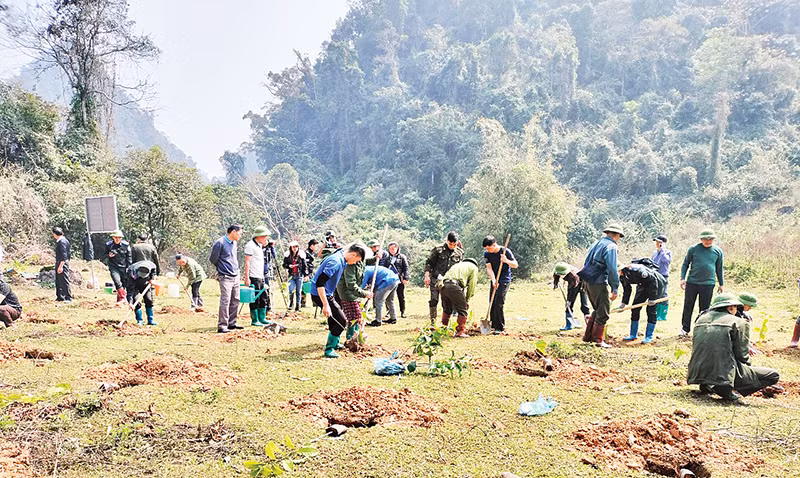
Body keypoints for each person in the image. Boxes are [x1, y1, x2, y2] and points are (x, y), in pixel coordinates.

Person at [687, 293, 780, 401]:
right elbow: (742, 355)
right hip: (723, 372)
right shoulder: (739, 323)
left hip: (696, 372)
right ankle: (725, 387)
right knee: (773, 375)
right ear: (731, 308)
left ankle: (708, 385)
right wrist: (746, 371)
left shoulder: (700, 320)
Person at [310, 243, 369, 358]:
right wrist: (325, 305)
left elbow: (344, 248)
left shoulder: (341, 257)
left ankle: (335, 343)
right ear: (353, 255)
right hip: (321, 294)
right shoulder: (335, 262)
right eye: (357, 259)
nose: (356, 262)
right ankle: (329, 349)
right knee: (341, 321)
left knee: (334, 319)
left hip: (328, 293)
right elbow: (320, 283)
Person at [578, 224, 623, 348]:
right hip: (598, 281)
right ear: (617, 235)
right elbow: (613, 269)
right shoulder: (611, 247)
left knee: (597, 310)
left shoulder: (596, 243)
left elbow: (587, 262)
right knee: (603, 312)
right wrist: (615, 287)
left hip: (587, 279)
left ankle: (588, 338)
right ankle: (598, 340)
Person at [680, 229, 724, 336]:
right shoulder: (693, 249)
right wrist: (682, 278)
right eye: (705, 239)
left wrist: (721, 284)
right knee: (688, 305)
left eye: (710, 239)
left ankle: (701, 328)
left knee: (704, 308)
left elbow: (719, 268)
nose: (708, 241)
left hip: (708, 283)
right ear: (701, 239)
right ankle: (685, 329)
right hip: (692, 282)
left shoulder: (718, 251)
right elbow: (685, 264)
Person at [618, 261, 667, 344]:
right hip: (643, 285)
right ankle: (633, 334)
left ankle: (648, 336)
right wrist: (623, 303)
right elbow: (627, 289)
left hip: (657, 284)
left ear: (621, 269)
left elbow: (653, 281)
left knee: (651, 310)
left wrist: (652, 298)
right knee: (635, 308)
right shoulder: (621, 276)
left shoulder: (636, 270)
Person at [209, 225, 244, 333]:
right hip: (225, 276)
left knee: (236, 299)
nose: (240, 235)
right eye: (240, 233)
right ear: (233, 232)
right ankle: (222, 325)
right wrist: (222, 268)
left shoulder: (234, 243)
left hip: (235, 275)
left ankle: (232, 323)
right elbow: (213, 259)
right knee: (226, 300)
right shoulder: (220, 243)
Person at [424, 231, 464, 325]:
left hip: (449, 281)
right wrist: (427, 276)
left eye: (454, 244)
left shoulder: (459, 252)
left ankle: (445, 324)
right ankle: (433, 322)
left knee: (447, 303)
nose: (452, 246)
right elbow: (429, 263)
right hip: (436, 278)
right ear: (447, 241)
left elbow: (460, 268)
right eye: (450, 244)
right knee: (434, 300)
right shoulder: (438, 250)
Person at [482, 236, 518, 334]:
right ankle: (493, 324)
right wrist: (493, 280)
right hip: (495, 279)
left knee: (499, 302)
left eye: (488, 248)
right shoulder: (487, 254)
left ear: (494, 245)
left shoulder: (505, 251)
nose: (487, 250)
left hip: (504, 280)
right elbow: (489, 268)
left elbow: (515, 265)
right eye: (486, 249)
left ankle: (500, 327)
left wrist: (506, 260)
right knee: (492, 301)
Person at [336, 250, 369, 345]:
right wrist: (364, 294)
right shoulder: (350, 265)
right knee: (353, 317)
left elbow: (368, 261)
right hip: (347, 293)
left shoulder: (360, 261)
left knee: (357, 316)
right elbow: (351, 285)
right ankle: (350, 340)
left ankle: (357, 338)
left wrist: (377, 257)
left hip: (355, 293)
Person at [439, 258, 479, 338]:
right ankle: (460, 331)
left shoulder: (457, 265)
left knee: (447, 309)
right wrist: (467, 300)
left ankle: (444, 329)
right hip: (454, 286)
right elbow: (472, 285)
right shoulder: (473, 267)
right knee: (462, 309)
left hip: (443, 285)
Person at [244, 226, 270, 326]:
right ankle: (255, 320)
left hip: (261, 276)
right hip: (253, 276)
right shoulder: (250, 246)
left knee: (264, 297)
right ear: (259, 236)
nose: (265, 238)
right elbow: (247, 262)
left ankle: (262, 318)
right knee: (254, 298)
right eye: (264, 236)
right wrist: (247, 277)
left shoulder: (259, 246)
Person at [553, 262, 590, 331]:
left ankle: (589, 325)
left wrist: (569, 300)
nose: (561, 275)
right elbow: (556, 279)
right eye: (560, 274)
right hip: (573, 284)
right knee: (569, 305)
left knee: (584, 306)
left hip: (583, 284)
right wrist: (556, 283)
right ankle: (568, 325)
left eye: (563, 274)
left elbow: (573, 288)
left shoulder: (573, 276)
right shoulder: (558, 270)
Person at [379, 242, 410, 318]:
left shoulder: (402, 257)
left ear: (397, 248)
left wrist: (406, 278)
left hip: (399, 279)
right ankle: (389, 312)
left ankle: (403, 311)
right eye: (390, 249)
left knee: (401, 295)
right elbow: (383, 268)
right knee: (388, 297)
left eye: (393, 248)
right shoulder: (386, 259)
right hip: (389, 279)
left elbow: (406, 268)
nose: (392, 250)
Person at [105, 230, 132, 305]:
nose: (117, 239)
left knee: (123, 284)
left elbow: (129, 258)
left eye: (119, 238)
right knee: (117, 282)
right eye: (116, 237)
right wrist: (108, 255)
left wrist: (129, 268)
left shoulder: (126, 245)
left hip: (124, 267)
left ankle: (120, 300)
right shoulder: (108, 245)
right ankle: (123, 298)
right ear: (113, 237)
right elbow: (104, 255)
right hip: (114, 267)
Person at [128, 260, 158, 326]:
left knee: (149, 300)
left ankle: (151, 320)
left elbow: (154, 273)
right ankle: (139, 320)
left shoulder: (152, 265)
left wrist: (153, 278)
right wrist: (130, 302)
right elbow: (130, 290)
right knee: (136, 302)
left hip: (145, 284)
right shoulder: (131, 271)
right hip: (134, 285)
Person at [651, 234, 672, 321]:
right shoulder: (654, 252)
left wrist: (662, 250)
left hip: (663, 275)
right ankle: (656, 313)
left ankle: (663, 314)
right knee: (656, 294)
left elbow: (666, 261)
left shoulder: (667, 252)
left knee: (664, 294)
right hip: (655, 275)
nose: (657, 243)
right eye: (656, 242)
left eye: (659, 242)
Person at [283, 241, 308, 311]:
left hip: (299, 275)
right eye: (293, 247)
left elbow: (304, 266)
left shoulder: (301, 255)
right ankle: (291, 304)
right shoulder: (288, 255)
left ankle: (298, 306)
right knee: (291, 290)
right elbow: (284, 265)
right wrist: (289, 266)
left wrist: (306, 275)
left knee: (298, 291)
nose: (295, 248)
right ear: (291, 247)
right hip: (291, 275)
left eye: (296, 246)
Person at [52, 227, 72, 303]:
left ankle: (68, 297)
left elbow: (64, 255)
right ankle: (60, 296)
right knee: (59, 280)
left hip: (62, 262)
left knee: (64, 280)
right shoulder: (63, 240)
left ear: (55, 234)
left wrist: (61, 266)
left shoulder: (62, 242)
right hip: (61, 262)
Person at [302, 239, 319, 308]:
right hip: (307, 273)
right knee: (304, 288)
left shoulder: (311, 253)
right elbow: (305, 265)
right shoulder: (306, 253)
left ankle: (315, 303)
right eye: (316, 246)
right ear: (311, 246)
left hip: (311, 273)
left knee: (313, 287)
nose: (316, 248)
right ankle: (302, 303)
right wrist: (306, 274)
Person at [263, 238, 277, 314]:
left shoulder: (269, 248)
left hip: (266, 272)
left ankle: (268, 307)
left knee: (267, 289)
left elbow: (274, 256)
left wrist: (272, 247)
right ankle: (263, 307)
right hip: (259, 272)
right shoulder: (259, 248)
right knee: (261, 290)